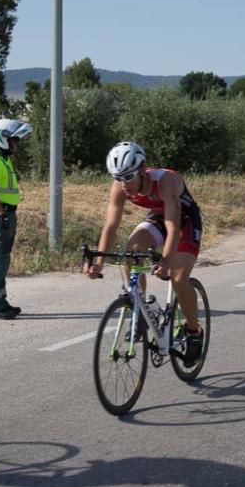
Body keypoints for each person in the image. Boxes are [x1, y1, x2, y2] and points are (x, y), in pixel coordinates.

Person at [86, 141, 204, 366]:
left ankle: (194, 331)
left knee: (179, 279)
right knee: (132, 250)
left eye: (129, 176)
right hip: (158, 216)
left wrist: (167, 260)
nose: (124, 184)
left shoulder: (165, 182)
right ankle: (138, 308)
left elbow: (173, 227)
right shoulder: (119, 186)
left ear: (142, 170)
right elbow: (110, 226)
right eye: (118, 178)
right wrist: (99, 262)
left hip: (184, 220)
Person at [0, 118, 31, 320]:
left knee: (3, 259)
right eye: (15, 140)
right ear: (3, 139)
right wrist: (1, 214)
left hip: (6, 212)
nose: (18, 144)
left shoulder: (3, 160)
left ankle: (1, 301)